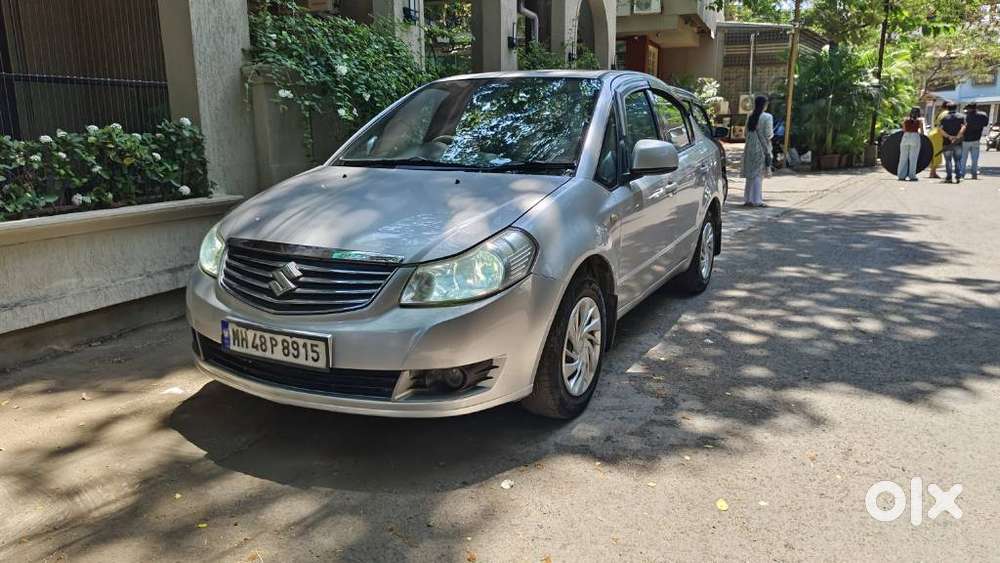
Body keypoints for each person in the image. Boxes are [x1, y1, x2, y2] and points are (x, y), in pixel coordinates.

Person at [741, 95, 773, 207]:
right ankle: (757, 200)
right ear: (764, 105)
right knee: (758, 174)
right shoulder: (767, 117)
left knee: (750, 174)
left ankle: (748, 199)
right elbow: (768, 134)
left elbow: (745, 133)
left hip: (750, 147)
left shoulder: (750, 116)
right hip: (761, 148)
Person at [939, 103, 966, 183]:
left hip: (947, 142)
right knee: (957, 160)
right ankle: (958, 177)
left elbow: (940, 129)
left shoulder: (944, 118)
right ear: (956, 108)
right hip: (957, 142)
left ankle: (949, 177)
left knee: (948, 160)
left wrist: (948, 136)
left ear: (947, 108)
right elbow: (963, 127)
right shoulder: (961, 117)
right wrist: (957, 137)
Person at [897, 107, 925, 181]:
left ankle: (901, 175)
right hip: (915, 137)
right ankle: (912, 176)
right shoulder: (920, 121)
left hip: (905, 137)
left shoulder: (905, 120)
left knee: (903, 157)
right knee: (913, 158)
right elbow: (922, 133)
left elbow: (903, 130)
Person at [962, 104, 989, 179]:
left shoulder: (965, 116)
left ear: (969, 109)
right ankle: (974, 174)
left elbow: (962, 127)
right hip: (976, 140)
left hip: (965, 140)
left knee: (963, 158)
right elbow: (985, 124)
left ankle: (962, 174)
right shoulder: (983, 115)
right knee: (975, 159)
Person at [927, 109, 947, 179]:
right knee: (937, 154)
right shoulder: (946, 113)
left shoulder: (941, 113)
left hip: (933, 133)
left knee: (934, 154)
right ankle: (932, 173)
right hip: (937, 135)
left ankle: (933, 172)